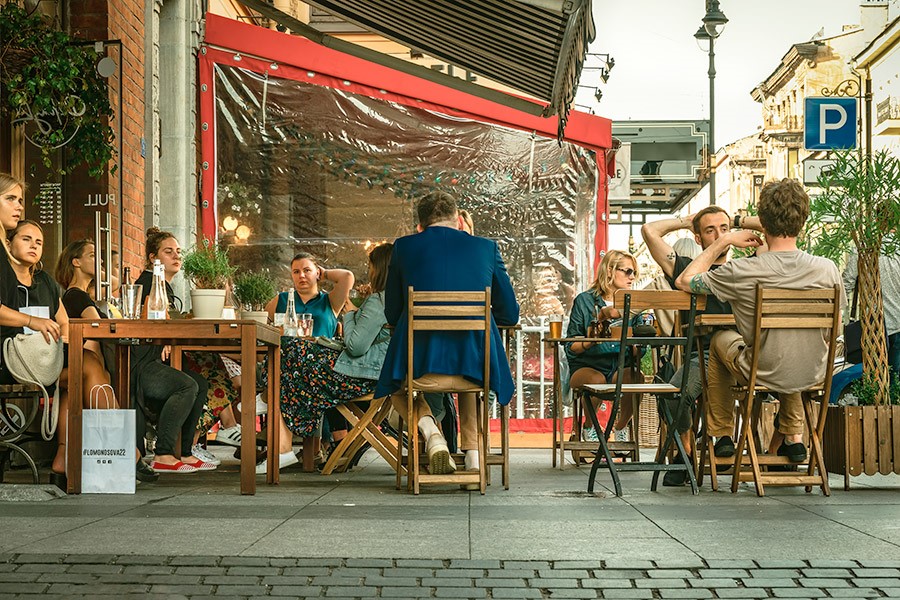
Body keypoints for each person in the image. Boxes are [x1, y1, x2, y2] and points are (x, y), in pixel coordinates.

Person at [675, 178, 844, 465]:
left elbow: (684, 280)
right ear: (803, 221)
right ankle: (793, 435)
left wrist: (726, 240)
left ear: (762, 222)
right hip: (814, 373)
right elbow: (835, 331)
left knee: (718, 341)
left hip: (762, 371)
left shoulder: (743, 270)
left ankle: (721, 433)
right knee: (791, 347)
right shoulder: (827, 269)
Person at [374, 191, 519, 477]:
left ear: (420, 226)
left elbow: (392, 312)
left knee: (394, 387)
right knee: (471, 365)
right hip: (477, 372)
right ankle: (475, 457)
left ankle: (432, 434)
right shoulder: (486, 248)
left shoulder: (403, 248)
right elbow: (510, 314)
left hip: (420, 372)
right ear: (459, 222)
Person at [641, 207, 763, 484]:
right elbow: (649, 231)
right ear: (698, 238)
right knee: (673, 394)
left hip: (745, 355)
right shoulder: (687, 269)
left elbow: (777, 230)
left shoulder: (750, 266)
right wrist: (685, 222)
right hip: (704, 356)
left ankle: (776, 449)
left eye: (723, 228)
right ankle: (686, 453)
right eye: (710, 230)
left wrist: (736, 223)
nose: (719, 235)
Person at [256, 243, 393, 473]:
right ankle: (281, 441)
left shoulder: (375, 301)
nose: (368, 272)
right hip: (374, 370)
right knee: (291, 356)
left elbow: (356, 346)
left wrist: (348, 315)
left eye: (307, 270)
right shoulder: (390, 299)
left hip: (363, 374)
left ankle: (271, 411)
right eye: (296, 271)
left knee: (291, 357)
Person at [55, 239, 158, 483]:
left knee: (85, 370)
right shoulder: (76, 297)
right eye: (92, 255)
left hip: (67, 367)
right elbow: (99, 328)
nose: (99, 260)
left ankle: (63, 453)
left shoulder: (81, 296)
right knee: (89, 362)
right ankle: (125, 448)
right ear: (76, 262)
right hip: (59, 366)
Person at [565, 250, 643, 442]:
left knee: (636, 378)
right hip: (587, 364)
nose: (632, 277)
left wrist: (638, 344)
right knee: (597, 380)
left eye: (634, 273)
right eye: (627, 271)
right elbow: (571, 346)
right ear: (609, 271)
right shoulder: (585, 300)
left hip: (619, 365)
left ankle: (621, 427)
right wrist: (594, 335)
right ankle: (589, 427)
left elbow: (641, 350)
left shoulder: (634, 303)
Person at [842, 250, 900, 388]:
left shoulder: (863, 249)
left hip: (873, 328)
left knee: (873, 380)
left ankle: (876, 407)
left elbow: (845, 285)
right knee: (895, 382)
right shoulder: (897, 248)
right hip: (898, 325)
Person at [265, 251, 354, 337]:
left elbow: (347, 276)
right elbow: (261, 328)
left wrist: (324, 274)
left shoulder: (329, 301)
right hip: (284, 351)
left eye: (307, 270)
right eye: (296, 272)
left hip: (321, 351)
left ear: (317, 272)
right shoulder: (281, 299)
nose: (301, 275)